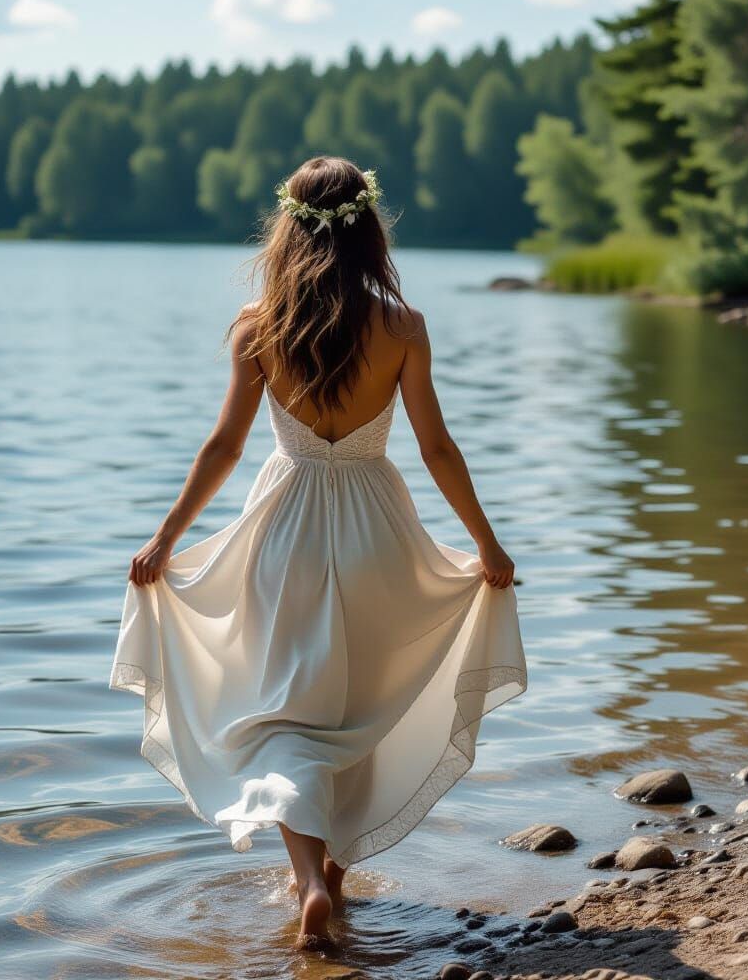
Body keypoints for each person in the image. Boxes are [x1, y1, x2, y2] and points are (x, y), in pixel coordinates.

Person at [110, 156, 527, 950]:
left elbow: (226, 445)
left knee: (289, 715)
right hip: (379, 530)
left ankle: (309, 884)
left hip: (285, 531)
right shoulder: (402, 326)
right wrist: (486, 543)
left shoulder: (257, 326)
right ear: (369, 229)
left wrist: (166, 537)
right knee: (361, 706)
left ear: (288, 228)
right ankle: (333, 880)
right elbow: (437, 447)